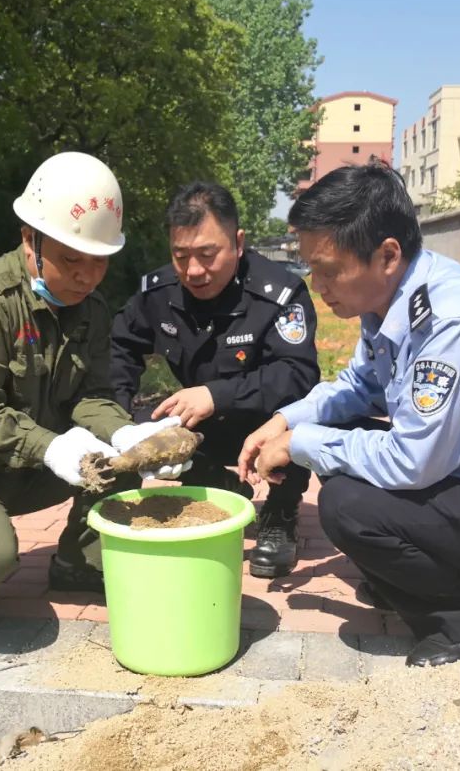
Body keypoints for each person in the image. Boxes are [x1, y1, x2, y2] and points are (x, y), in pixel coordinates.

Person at [238, 161, 460, 667]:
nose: (318, 284)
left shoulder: (450, 319)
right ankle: (414, 578)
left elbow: (413, 462)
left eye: (329, 269)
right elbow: (360, 387)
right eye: (311, 268)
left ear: (387, 254)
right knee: (340, 447)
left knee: (346, 505)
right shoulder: (391, 300)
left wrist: (301, 445)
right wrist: (287, 420)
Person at [0, 151, 190, 638]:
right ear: (30, 240)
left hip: (22, 460)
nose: (87, 277)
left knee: (119, 463)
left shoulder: (90, 308)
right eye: (73, 260)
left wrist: (126, 432)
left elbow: (91, 395)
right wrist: (49, 446)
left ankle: (78, 563)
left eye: (100, 264)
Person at [110, 182, 320, 578]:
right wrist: (117, 419)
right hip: (203, 429)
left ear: (238, 243)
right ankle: (221, 487)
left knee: (300, 418)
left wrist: (216, 394)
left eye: (207, 255)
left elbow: (299, 374)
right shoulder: (159, 292)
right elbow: (120, 347)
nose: (193, 271)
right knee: (149, 429)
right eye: (180, 256)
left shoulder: (279, 294)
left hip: (264, 424)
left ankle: (279, 513)